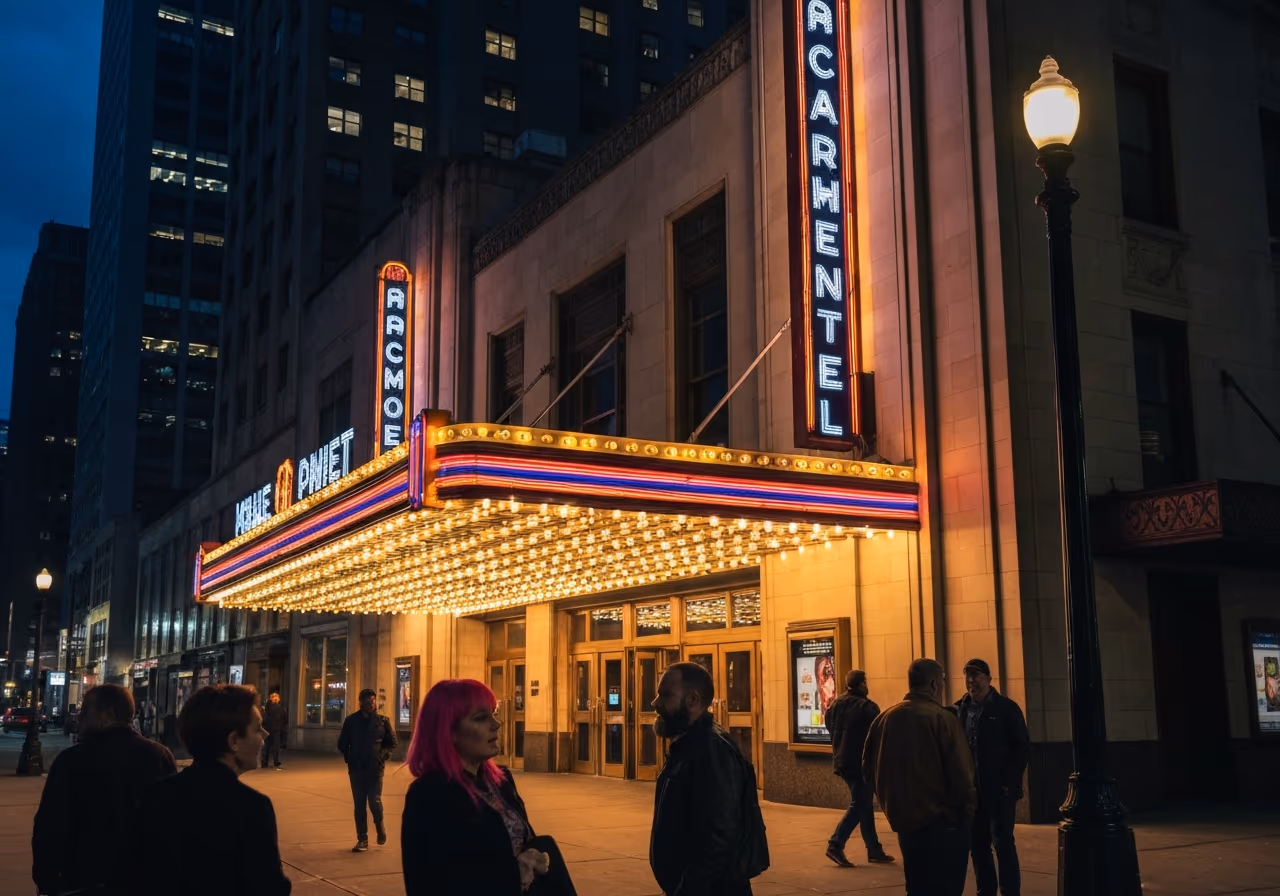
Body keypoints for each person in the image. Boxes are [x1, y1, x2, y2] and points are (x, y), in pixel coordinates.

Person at [400, 678, 578, 895]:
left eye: (493, 714)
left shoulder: (501, 780)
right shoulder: (429, 795)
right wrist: (514, 875)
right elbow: (430, 881)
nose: (496, 724)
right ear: (449, 732)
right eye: (481, 718)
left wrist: (535, 858)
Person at [137, 684, 291, 896]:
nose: (264, 735)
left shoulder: (158, 794)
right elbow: (267, 886)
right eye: (257, 728)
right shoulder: (251, 806)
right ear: (234, 740)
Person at [32, 684, 177, 896]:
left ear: (107, 714)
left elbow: (51, 825)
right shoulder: (159, 755)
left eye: (86, 710)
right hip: (144, 881)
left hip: (85, 881)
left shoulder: (74, 760)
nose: (79, 716)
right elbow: (171, 822)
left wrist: (48, 881)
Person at [650, 662, 769, 896]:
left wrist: (688, 890)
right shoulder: (688, 746)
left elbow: (718, 839)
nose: (655, 703)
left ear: (693, 700)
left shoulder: (712, 751)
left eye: (665, 695)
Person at [862, 658, 975, 896]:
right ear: (935, 684)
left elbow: (867, 770)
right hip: (944, 824)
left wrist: (891, 804)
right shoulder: (943, 719)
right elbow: (962, 776)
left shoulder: (884, 719)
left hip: (906, 824)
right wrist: (965, 815)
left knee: (916, 885)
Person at [954, 659, 1029, 896]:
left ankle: (1010, 891)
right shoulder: (959, 709)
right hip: (972, 790)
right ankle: (985, 890)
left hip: (999, 790)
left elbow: (1021, 748)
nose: (971, 681)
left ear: (988, 679)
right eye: (967, 676)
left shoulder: (1005, 709)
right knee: (978, 845)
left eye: (976, 676)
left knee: (1003, 842)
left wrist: (1010, 783)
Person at [823, 669, 894, 867]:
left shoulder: (835, 705)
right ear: (862, 684)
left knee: (864, 803)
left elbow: (829, 725)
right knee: (860, 803)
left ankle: (874, 849)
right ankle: (835, 844)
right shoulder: (868, 707)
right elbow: (877, 736)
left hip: (842, 760)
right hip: (861, 762)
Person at [337, 687, 398, 851]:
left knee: (374, 800)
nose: (371, 704)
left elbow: (391, 743)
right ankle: (362, 839)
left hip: (375, 768)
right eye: (367, 702)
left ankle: (379, 826)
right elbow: (342, 743)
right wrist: (349, 757)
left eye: (373, 701)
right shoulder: (351, 721)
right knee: (359, 804)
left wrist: (383, 755)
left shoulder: (383, 721)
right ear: (361, 703)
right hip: (356, 769)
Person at [263, 690, 288, 769]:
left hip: (269, 729)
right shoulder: (280, 709)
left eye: (276, 697)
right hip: (275, 729)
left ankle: (265, 762)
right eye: (274, 697)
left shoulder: (268, 708)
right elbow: (285, 720)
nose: (275, 699)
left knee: (268, 746)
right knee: (274, 746)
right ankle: (275, 761)